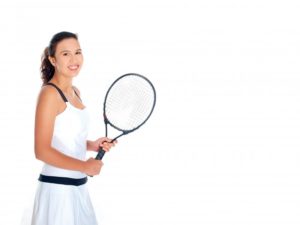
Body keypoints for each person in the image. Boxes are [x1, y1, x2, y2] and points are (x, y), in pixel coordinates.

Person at [31, 31, 116, 225]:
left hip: (78, 188)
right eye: (65, 54)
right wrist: (84, 166)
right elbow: (41, 150)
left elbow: (65, 136)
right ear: (53, 60)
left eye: (78, 52)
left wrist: (92, 145)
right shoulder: (49, 94)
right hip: (57, 191)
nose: (74, 59)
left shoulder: (75, 92)